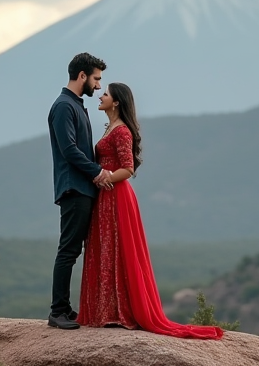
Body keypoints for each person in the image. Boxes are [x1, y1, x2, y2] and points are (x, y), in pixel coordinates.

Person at [77, 82, 224, 340]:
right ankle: (105, 311)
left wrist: (104, 177)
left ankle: (119, 312)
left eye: (106, 93)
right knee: (105, 249)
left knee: (118, 250)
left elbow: (128, 168)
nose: (101, 95)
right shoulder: (110, 127)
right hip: (105, 195)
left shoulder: (121, 131)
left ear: (117, 101)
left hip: (117, 196)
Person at [47, 52, 113, 330]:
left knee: (74, 250)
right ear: (82, 75)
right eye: (97, 79)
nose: (99, 86)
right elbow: (69, 149)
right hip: (75, 188)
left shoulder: (74, 105)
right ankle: (58, 311)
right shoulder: (64, 106)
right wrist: (97, 172)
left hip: (83, 187)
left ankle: (68, 308)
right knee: (69, 250)